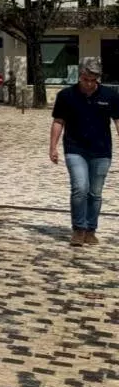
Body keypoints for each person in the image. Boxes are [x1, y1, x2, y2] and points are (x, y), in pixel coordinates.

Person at [49, 57, 119, 247]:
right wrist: (53, 147)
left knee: (95, 193)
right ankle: (78, 229)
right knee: (80, 188)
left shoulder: (110, 95)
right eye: (85, 79)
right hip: (75, 148)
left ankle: (91, 230)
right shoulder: (66, 96)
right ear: (79, 76)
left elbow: (117, 120)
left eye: (93, 80)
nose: (89, 84)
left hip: (102, 151)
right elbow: (58, 121)